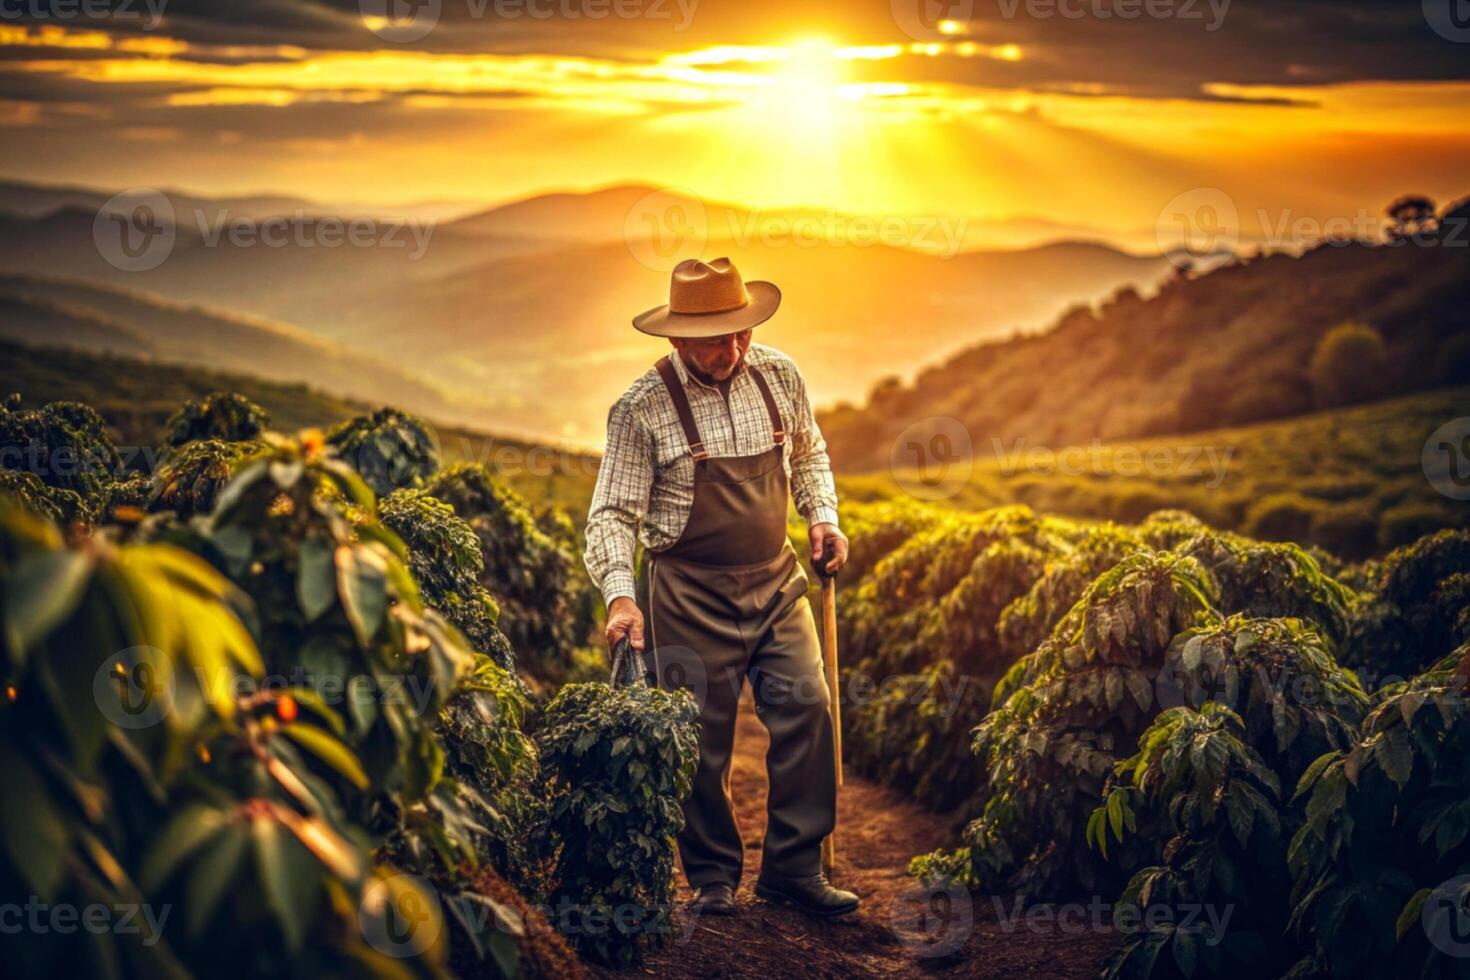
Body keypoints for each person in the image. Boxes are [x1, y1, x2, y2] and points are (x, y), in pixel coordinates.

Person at [584, 257, 858, 918]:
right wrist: (622, 596)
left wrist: (822, 517)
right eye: (714, 339)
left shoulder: (779, 375)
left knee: (808, 709)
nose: (733, 349)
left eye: (740, 332)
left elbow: (810, 453)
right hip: (687, 591)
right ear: (676, 340)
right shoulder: (641, 408)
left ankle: (793, 868)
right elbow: (613, 514)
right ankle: (711, 875)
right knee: (699, 739)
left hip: (775, 580)